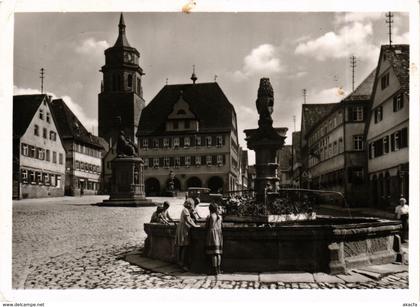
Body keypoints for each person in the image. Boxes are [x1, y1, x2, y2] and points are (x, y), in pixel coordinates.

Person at [175, 198, 199, 269]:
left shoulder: (186, 210)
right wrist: (195, 226)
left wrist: (194, 222)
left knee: (183, 246)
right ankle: (182, 263)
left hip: (183, 228)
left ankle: (180, 262)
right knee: (184, 246)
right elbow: (188, 220)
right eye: (192, 204)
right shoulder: (185, 210)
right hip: (183, 229)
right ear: (190, 204)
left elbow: (190, 219)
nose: (192, 206)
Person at [205, 202, 223, 275]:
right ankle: (218, 269)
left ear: (210, 209)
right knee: (218, 253)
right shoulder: (220, 217)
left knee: (213, 253)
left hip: (212, 235)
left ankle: (214, 270)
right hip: (219, 235)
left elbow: (206, 226)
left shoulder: (210, 216)